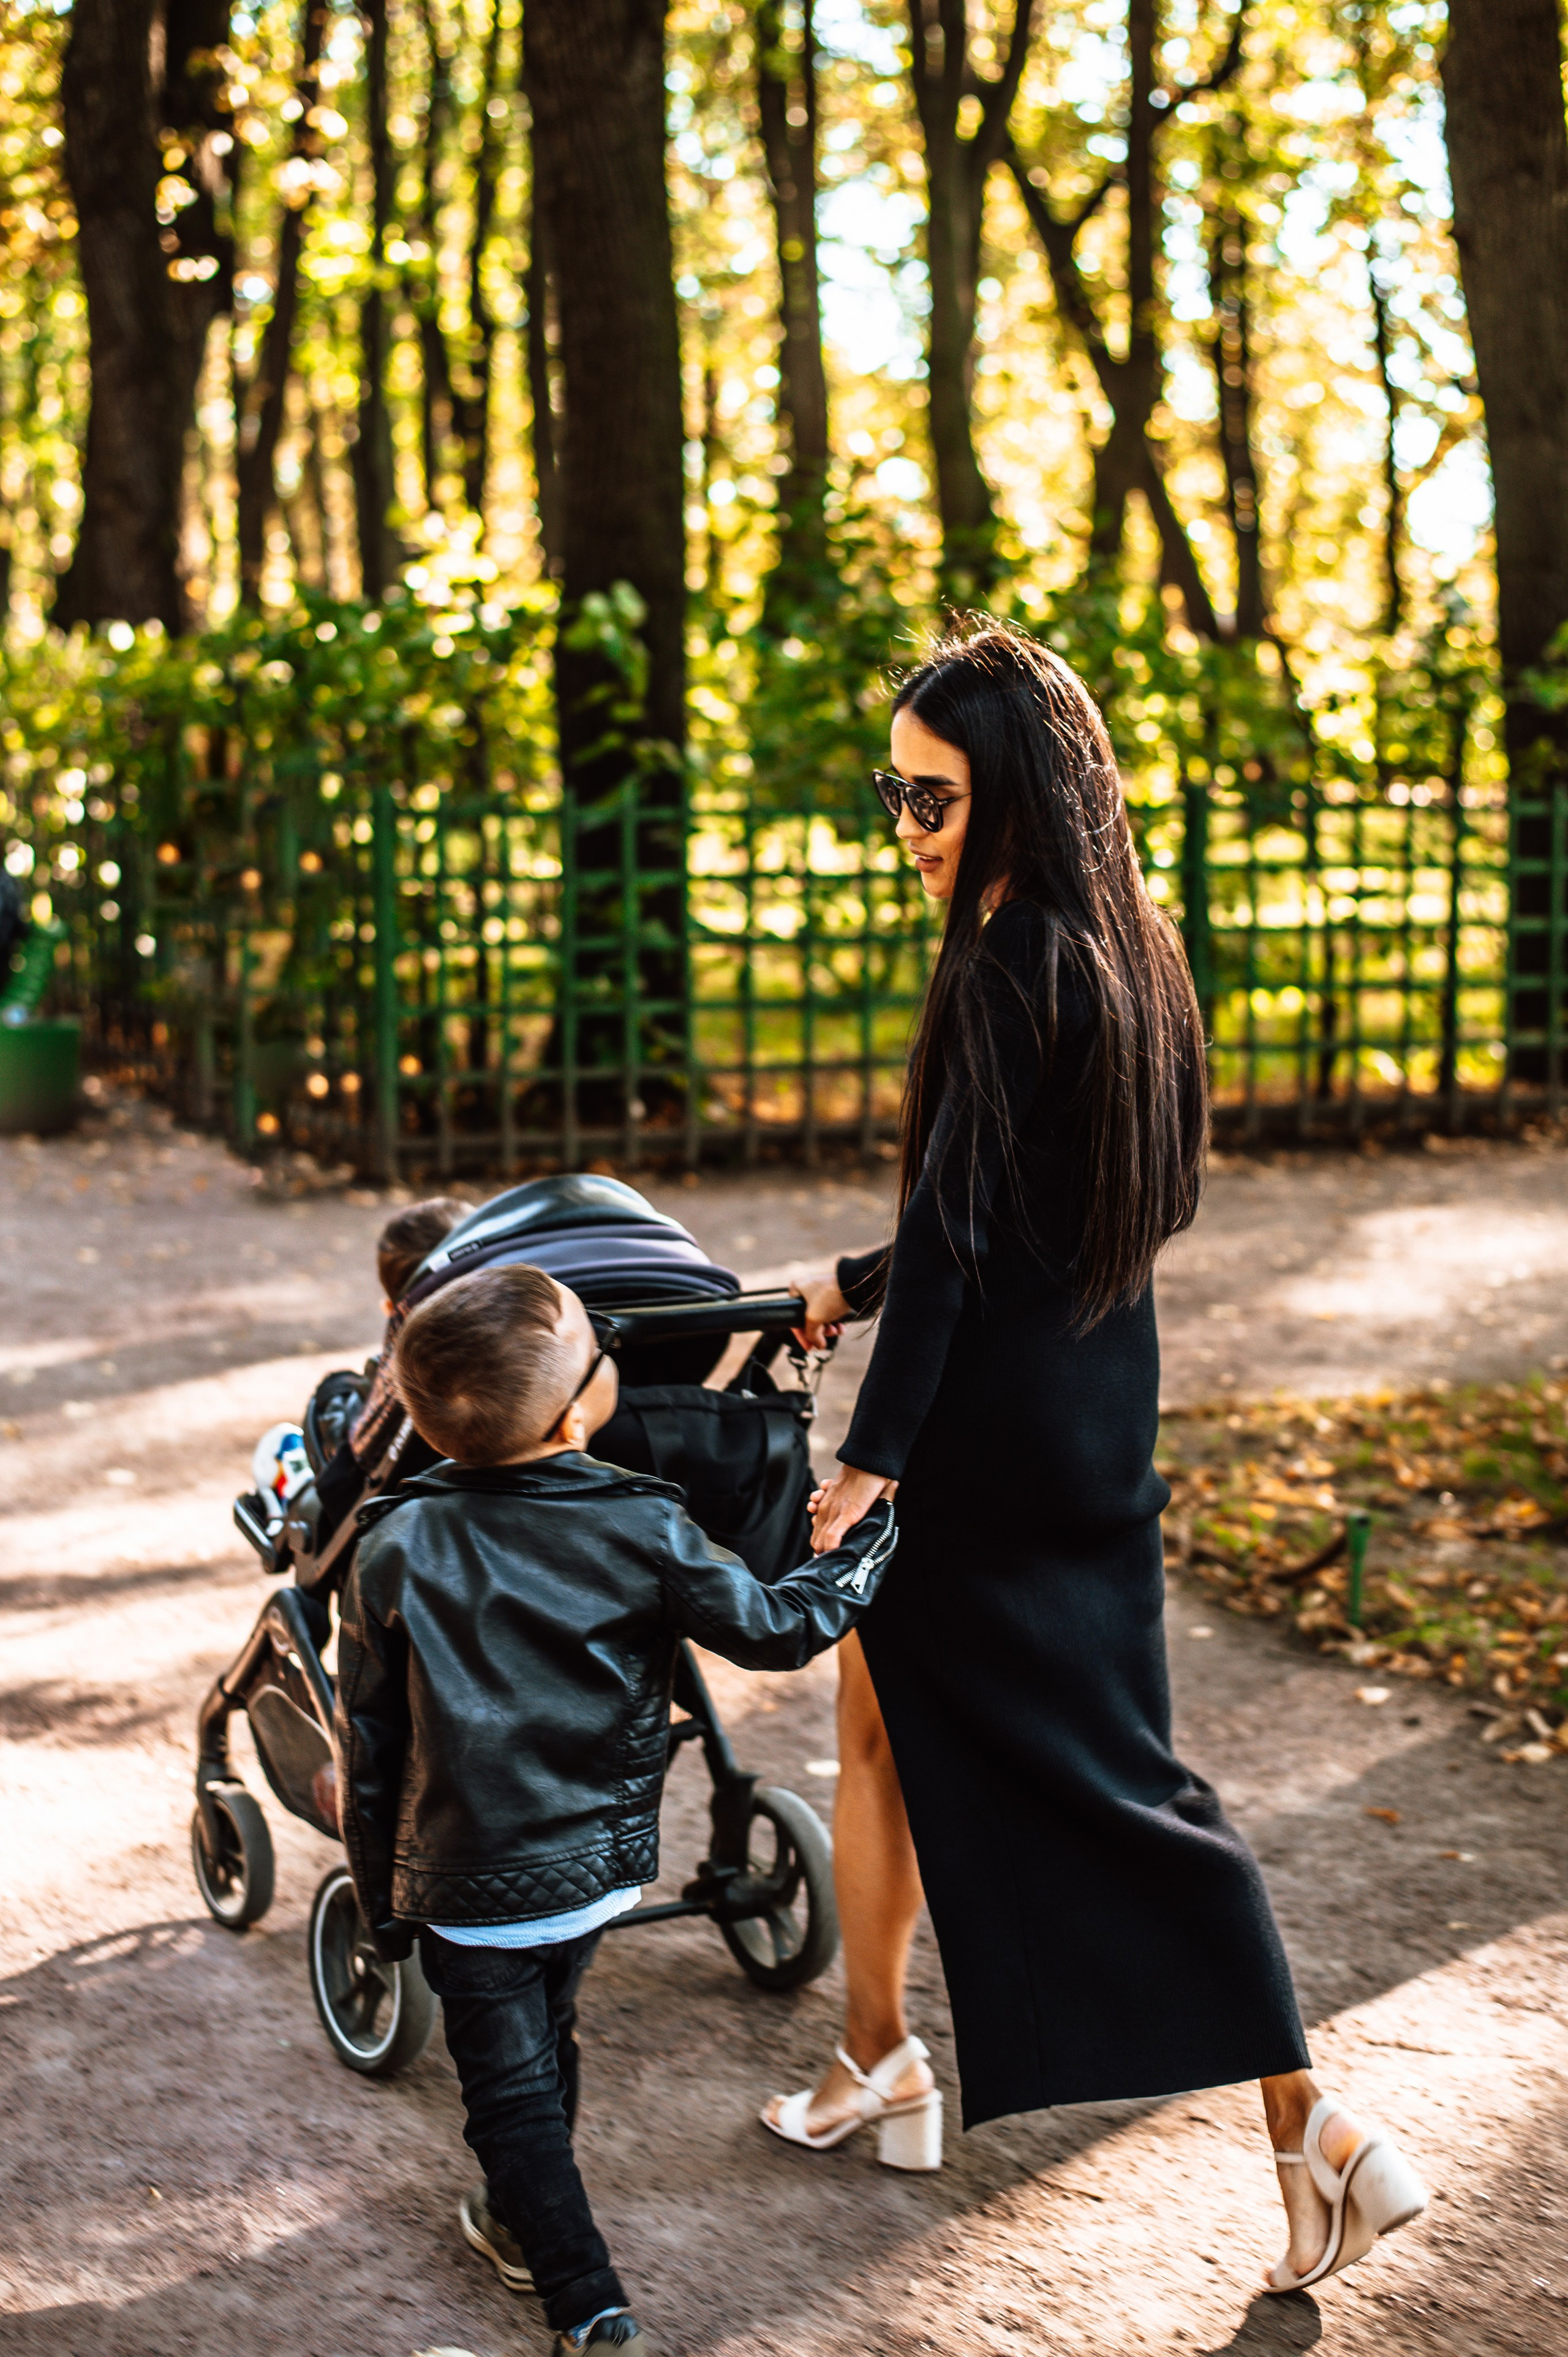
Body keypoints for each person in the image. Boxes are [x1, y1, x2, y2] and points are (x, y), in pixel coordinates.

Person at [763, 621, 1426, 2296]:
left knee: (1111, 1792)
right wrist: (850, 1284)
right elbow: (1061, 1216)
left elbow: (967, 1237)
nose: (904, 832)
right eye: (890, 796)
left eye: (929, 803)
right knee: (904, 1730)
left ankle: (1313, 2116)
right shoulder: (1128, 948)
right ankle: (877, 2056)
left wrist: (871, 1463)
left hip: (984, 1448)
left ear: (1017, 803)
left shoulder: (1000, 969)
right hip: (1093, 1415)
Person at [334, 1259, 898, 2355]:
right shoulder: (641, 1522)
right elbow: (778, 1629)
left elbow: (371, 1743)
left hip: (464, 1879)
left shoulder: (392, 1543)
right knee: (546, 2047)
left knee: (511, 2090)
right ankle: (554, 2263)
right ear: (580, 1404)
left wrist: (379, 1897)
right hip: (594, 1866)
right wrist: (867, 1547)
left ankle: (564, 2273)